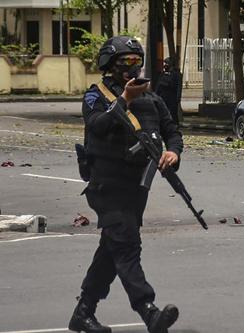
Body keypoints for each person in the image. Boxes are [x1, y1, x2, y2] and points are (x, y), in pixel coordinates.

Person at [69, 35, 183, 333]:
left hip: (135, 189)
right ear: (110, 65)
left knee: (111, 249)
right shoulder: (96, 95)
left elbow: (172, 131)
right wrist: (124, 100)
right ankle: (149, 311)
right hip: (106, 187)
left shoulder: (152, 98)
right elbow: (97, 125)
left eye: (136, 62)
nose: (132, 69)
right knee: (127, 246)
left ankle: (83, 312)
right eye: (125, 63)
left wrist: (173, 152)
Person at [155, 57, 182, 125]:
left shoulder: (176, 74)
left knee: (173, 113)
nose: (165, 65)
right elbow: (158, 86)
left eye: (166, 63)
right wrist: (156, 95)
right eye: (164, 63)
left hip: (172, 97)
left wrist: (178, 97)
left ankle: (174, 125)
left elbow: (178, 86)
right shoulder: (162, 74)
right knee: (162, 112)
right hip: (163, 96)